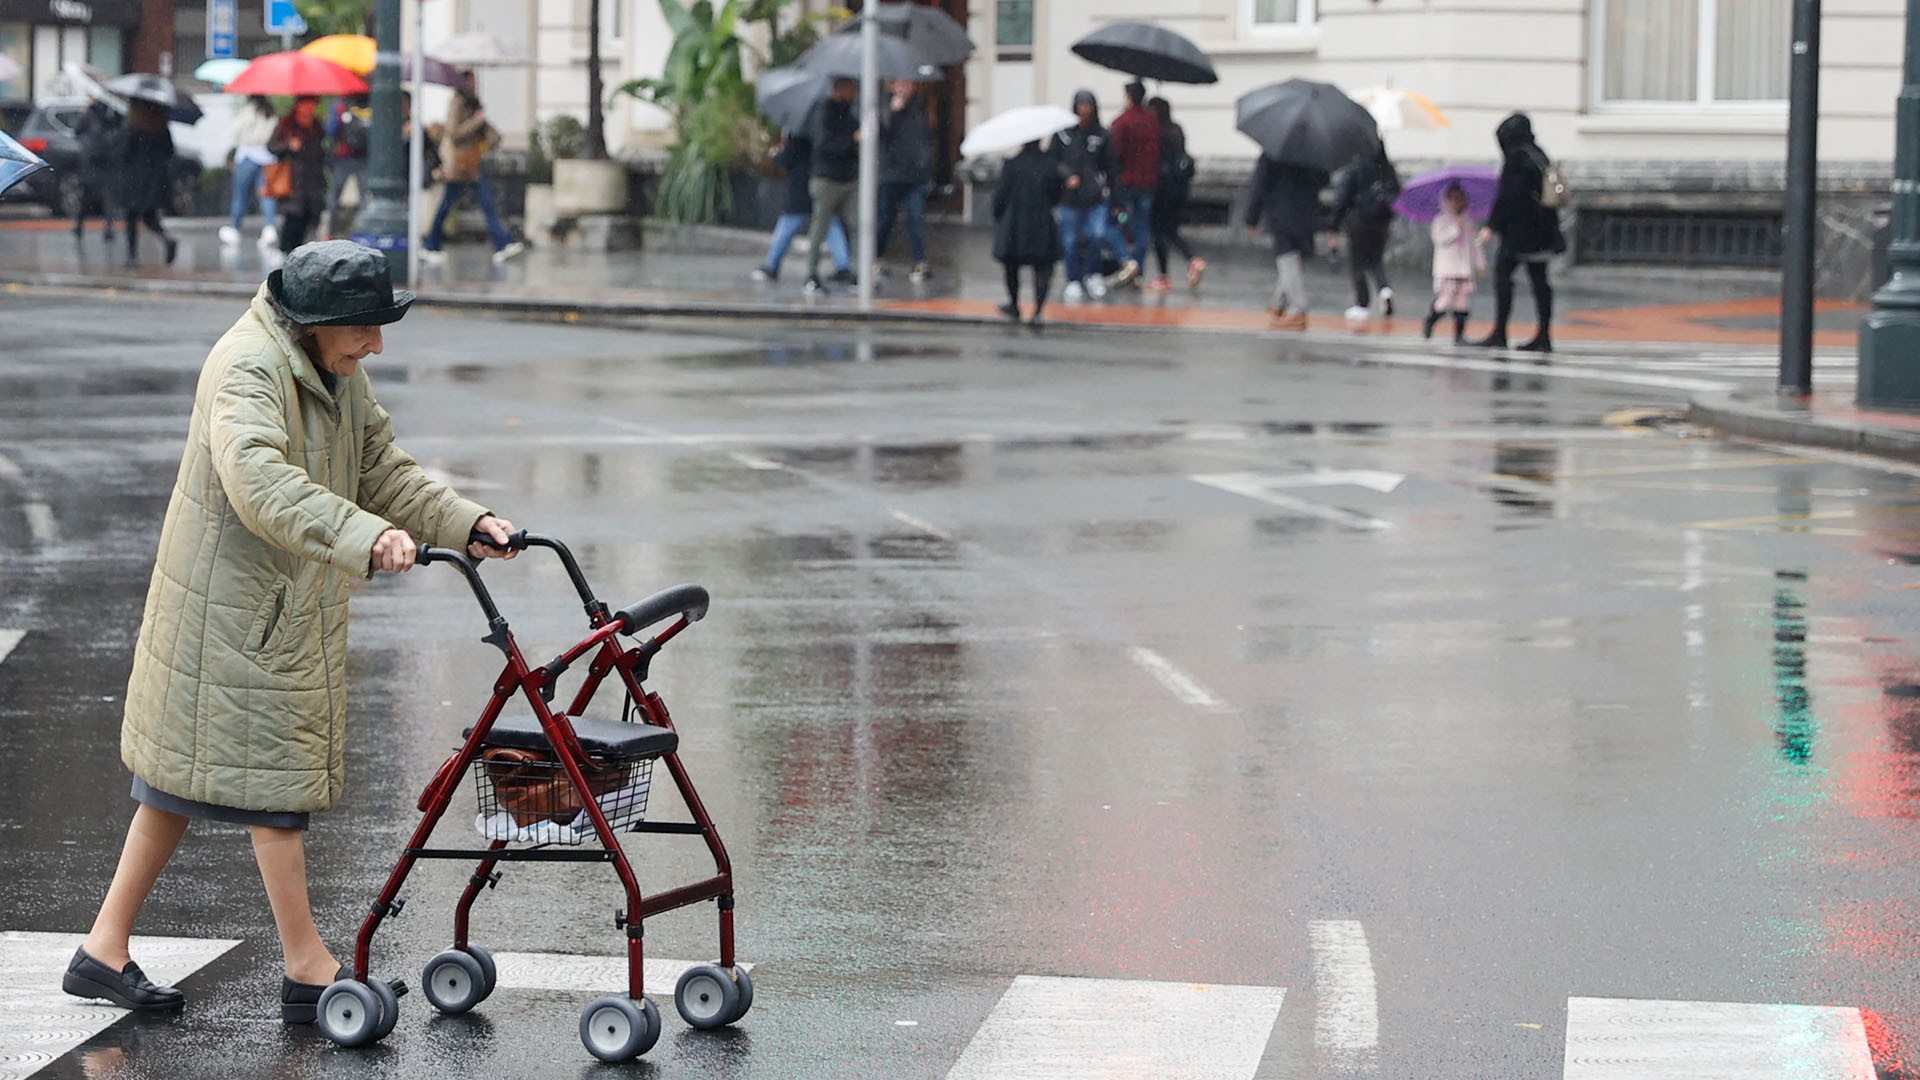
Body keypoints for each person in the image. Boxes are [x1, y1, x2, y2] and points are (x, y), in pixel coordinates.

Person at [61, 239, 520, 1021]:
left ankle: (103, 948)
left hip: (268, 604)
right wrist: (363, 536)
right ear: (316, 321)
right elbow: (259, 481)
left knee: (176, 784)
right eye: (366, 328)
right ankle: (309, 967)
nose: (376, 342)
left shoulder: (331, 367)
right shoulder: (248, 367)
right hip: (238, 612)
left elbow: (382, 467)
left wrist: (464, 519)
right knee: (273, 788)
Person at [1474, 111, 1563, 352]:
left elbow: (1508, 197)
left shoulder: (1515, 159)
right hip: (1543, 229)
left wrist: (1492, 226)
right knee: (1540, 281)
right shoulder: (1539, 154)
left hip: (1520, 232)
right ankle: (1544, 335)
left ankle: (1500, 331)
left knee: (1503, 276)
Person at [423, 72, 525, 265]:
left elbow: (487, 132)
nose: (475, 85)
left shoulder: (473, 103)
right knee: (448, 206)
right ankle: (430, 244)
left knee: (486, 204)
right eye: (471, 81)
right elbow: (454, 133)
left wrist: (487, 131)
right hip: (460, 165)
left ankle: (502, 243)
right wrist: (475, 122)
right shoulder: (458, 103)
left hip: (472, 166)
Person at [751, 130, 850, 283]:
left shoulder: (797, 130)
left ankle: (772, 265)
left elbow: (787, 158)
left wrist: (775, 155)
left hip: (800, 185)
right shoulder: (821, 124)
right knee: (830, 225)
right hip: (823, 180)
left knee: (787, 225)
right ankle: (844, 266)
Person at [1245, 154, 1328, 331]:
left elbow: (1259, 184)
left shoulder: (1272, 153)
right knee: (1294, 261)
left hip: (1280, 213)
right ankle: (1278, 303)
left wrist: (1251, 217)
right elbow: (1324, 179)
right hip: (1307, 213)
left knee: (1287, 259)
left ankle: (1298, 307)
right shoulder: (1313, 152)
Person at [993, 139, 1064, 330]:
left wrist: (998, 216)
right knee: (1043, 267)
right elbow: (1056, 195)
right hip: (1041, 221)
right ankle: (1038, 310)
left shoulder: (1012, 164)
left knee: (1011, 266)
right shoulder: (1050, 165)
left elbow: (1000, 195)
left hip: (1015, 222)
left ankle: (1014, 304)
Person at [1052, 89, 1115, 303]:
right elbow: (1054, 161)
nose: (1084, 110)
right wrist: (1066, 175)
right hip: (1069, 198)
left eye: (1088, 105)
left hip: (1095, 196)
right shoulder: (1064, 134)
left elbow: (1111, 166)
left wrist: (1113, 194)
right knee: (1069, 241)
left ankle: (1093, 274)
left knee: (1096, 236)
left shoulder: (1102, 134)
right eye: (1081, 105)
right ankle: (1073, 279)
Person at [1330, 144, 1400, 320]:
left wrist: (1334, 224)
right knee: (1376, 260)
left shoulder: (1356, 167)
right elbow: (1397, 193)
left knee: (1358, 262)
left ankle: (1362, 303)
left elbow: (1343, 197)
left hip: (1358, 222)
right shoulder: (1386, 168)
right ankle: (1384, 290)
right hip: (1382, 223)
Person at [804, 77, 860, 293]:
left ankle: (856, 271)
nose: (854, 94)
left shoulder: (850, 112)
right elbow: (824, 143)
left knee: (857, 225)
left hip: (848, 178)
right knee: (820, 227)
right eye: (851, 90)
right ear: (840, 90)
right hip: (827, 178)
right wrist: (851, 140)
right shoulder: (824, 112)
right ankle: (811, 273)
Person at [876, 79, 932, 283]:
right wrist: (892, 111)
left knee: (916, 218)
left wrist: (925, 166)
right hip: (891, 175)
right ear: (892, 86)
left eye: (909, 84)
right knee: (885, 219)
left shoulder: (918, 108)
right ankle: (876, 256)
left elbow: (923, 139)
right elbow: (881, 133)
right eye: (901, 84)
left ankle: (920, 261)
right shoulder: (884, 105)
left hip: (914, 176)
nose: (905, 88)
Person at [1106, 80, 1159, 289]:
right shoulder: (1152, 122)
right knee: (1141, 228)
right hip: (1147, 183)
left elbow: (1113, 154)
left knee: (1115, 223)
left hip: (1126, 183)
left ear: (1128, 97)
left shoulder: (1121, 122)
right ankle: (1138, 270)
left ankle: (1127, 260)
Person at [1146, 96, 1203, 291]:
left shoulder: (1157, 133)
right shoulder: (1177, 130)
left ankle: (1164, 275)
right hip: (1180, 189)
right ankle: (1192, 260)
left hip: (1162, 188)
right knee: (1171, 230)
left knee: (1159, 232)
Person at [1424, 182, 1485, 343]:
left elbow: (1474, 244)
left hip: (1463, 269)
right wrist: (1454, 228)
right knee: (1445, 299)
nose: (1457, 202)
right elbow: (1440, 239)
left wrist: (1480, 263)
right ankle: (1431, 320)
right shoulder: (1441, 220)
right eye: (1453, 199)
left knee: (1462, 303)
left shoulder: (1468, 221)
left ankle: (1459, 335)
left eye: (1460, 199)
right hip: (1447, 268)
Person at [120, 100, 177, 270]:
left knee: (131, 217)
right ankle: (167, 239)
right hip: (156, 178)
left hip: (136, 179)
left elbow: (124, 152)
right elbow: (170, 152)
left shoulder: (133, 126)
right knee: (149, 216)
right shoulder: (161, 126)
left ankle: (132, 256)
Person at [268, 96, 327, 253]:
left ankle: (300, 250)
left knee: (311, 215)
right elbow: (272, 146)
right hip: (293, 180)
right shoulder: (286, 124)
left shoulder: (316, 124)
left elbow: (321, 148)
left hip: (313, 179)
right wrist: (289, 145)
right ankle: (286, 249)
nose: (309, 108)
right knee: (293, 217)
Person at [222, 96, 280, 250]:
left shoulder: (248, 111)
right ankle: (269, 227)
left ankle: (235, 228)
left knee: (240, 195)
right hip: (267, 157)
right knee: (266, 195)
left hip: (248, 155)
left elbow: (236, 130)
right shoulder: (270, 113)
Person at [73, 98, 122, 245]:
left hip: (94, 162)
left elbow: (77, 132)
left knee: (89, 197)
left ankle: (81, 226)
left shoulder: (91, 115)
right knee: (106, 197)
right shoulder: (111, 114)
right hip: (104, 161)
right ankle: (106, 228)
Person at [324, 95, 371, 238]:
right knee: (364, 197)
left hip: (342, 156)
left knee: (335, 196)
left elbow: (330, 131)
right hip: (363, 156)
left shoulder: (339, 106)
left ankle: (330, 232)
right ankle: (366, 232)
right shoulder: (369, 104)